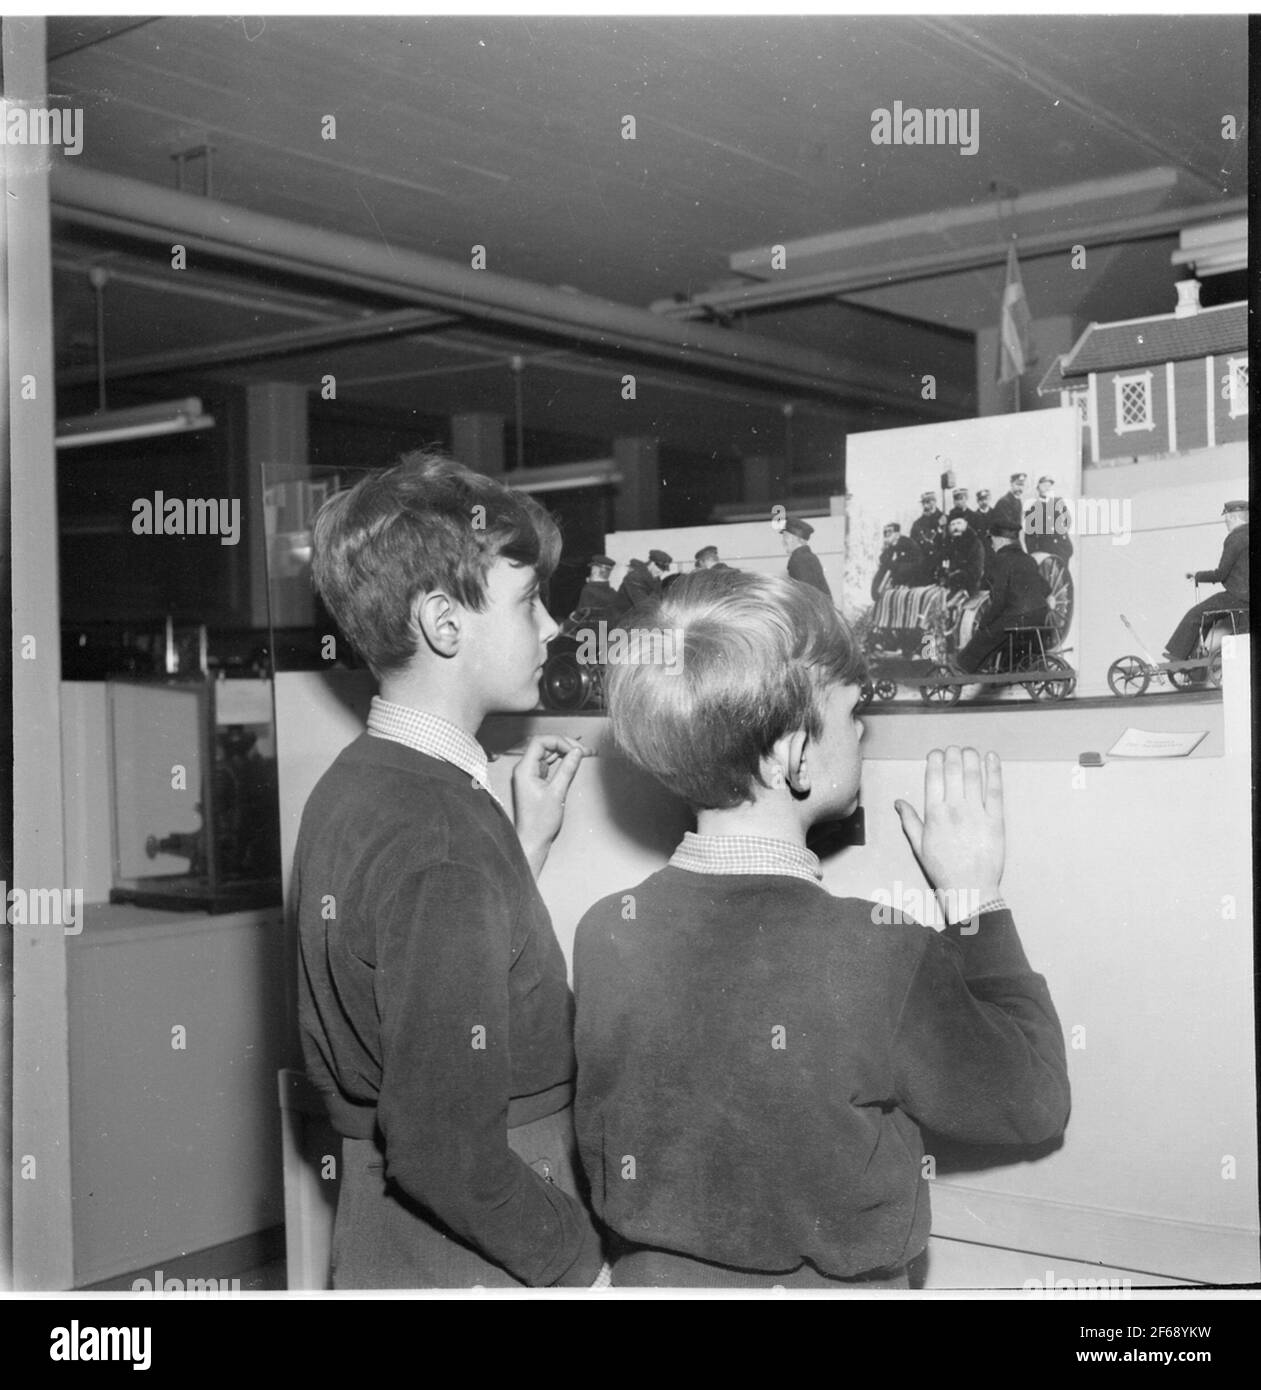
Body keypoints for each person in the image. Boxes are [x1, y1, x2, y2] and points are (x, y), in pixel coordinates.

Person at [573, 569, 1070, 1287]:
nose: (862, 728)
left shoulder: (604, 932)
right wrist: (975, 900)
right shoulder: (877, 948)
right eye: (850, 710)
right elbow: (1029, 1101)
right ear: (791, 755)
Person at [295, 452, 606, 1289]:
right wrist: (580, 1264)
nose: (552, 627)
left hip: (394, 1240)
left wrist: (520, 848)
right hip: (479, 1248)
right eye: (527, 599)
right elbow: (443, 1154)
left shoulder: (363, 781)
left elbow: (426, 967)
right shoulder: (439, 838)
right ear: (443, 622)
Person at [956, 521, 1052, 674]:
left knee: (983, 636)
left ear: (1001, 540)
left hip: (1017, 617)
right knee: (999, 632)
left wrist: (984, 623)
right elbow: (1046, 589)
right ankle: (1005, 666)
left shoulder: (999, 560)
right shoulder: (1028, 559)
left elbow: (1000, 600)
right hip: (1040, 615)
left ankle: (960, 669)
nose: (991, 545)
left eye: (992, 540)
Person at [1164, 500, 1250, 662]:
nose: (1226, 523)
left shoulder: (1235, 538)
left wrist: (1197, 575)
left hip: (1237, 596)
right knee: (1225, 626)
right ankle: (1196, 659)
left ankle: (1177, 655)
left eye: (1226, 520)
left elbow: (1220, 574)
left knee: (1197, 615)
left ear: (1233, 518)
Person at [1023, 475, 1073, 562]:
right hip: (1046, 550)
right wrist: (1033, 553)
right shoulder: (1032, 508)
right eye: (1044, 485)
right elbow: (1029, 534)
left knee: (1063, 573)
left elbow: (1067, 520)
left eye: (1049, 486)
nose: (1047, 488)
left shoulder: (1058, 502)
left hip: (1063, 547)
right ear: (1038, 488)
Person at [781, 516, 832, 598]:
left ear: (796, 539)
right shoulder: (809, 557)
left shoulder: (798, 559)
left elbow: (804, 595)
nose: (783, 542)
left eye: (786, 537)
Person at [939, 514, 986, 598]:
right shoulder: (949, 543)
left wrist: (955, 576)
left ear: (966, 524)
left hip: (969, 587)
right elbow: (944, 562)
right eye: (953, 524)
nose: (956, 527)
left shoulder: (974, 543)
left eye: (959, 523)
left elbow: (976, 571)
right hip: (949, 586)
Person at [870, 521, 921, 598]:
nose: (886, 534)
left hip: (914, 581)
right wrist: (875, 591)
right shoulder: (889, 549)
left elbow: (917, 565)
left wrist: (895, 566)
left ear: (897, 535)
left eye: (890, 531)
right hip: (898, 584)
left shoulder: (909, 544)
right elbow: (882, 570)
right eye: (885, 532)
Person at [573, 554, 627, 623]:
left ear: (595, 570)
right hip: (604, 630)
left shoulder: (588, 590)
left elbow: (579, 616)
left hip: (587, 631)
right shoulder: (613, 593)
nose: (591, 571)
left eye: (592, 568)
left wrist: (564, 626)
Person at [909, 490, 945, 573]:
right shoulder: (917, 524)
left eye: (928, 502)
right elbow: (913, 546)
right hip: (924, 567)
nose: (926, 505)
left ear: (935, 502)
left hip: (941, 565)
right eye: (923, 503)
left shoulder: (945, 519)